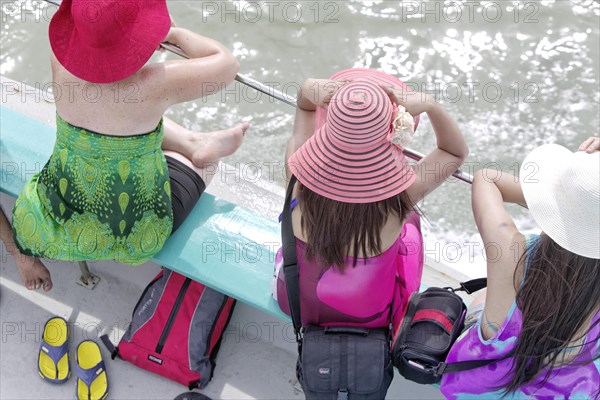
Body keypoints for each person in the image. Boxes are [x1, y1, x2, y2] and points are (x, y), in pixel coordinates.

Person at [10, 0, 248, 288]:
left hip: (61, 217)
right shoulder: (155, 84)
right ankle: (195, 147)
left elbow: (108, 93)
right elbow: (226, 63)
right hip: (136, 235)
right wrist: (172, 34)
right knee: (205, 163)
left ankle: (193, 141)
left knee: (116, 122)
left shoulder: (60, 60)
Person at [272, 68, 469, 397]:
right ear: (392, 135)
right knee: (410, 231)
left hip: (295, 303)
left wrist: (309, 87)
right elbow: (453, 152)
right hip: (370, 319)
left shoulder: (297, 172)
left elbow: (306, 106)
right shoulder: (398, 201)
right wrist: (431, 105)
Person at [440, 137, 600, 398]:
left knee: (485, 295)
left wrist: (558, 201)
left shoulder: (510, 250)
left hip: (479, 389)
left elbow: (487, 178)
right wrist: (585, 211)